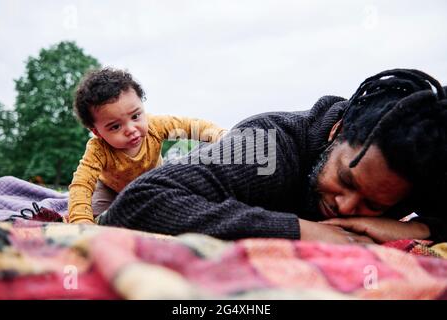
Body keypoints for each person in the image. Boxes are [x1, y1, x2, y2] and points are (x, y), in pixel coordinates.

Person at [98, 69, 447, 244]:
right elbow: (138, 204)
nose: (345, 206)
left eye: (374, 203)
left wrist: (420, 227)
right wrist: (302, 230)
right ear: (336, 131)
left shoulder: (419, 164)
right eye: (344, 179)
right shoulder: (266, 146)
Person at [68, 68, 226, 224]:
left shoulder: (155, 126)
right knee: (100, 217)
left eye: (136, 116)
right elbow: (82, 184)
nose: (131, 129)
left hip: (152, 183)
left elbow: (190, 126)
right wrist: (80, 220)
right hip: (110, 189)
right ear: (97, 132)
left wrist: (221, 135)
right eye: (115, 127)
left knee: (171, 206)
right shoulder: (98, 149)